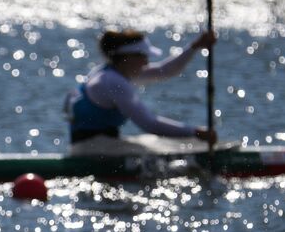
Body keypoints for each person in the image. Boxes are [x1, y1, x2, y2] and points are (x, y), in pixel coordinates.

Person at [65, 29, 217, 145]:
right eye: (144, 56)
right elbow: (150, 124)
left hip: (96, 143)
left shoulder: (109, 71)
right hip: (92, 148)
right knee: (160, 145)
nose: (146, 62)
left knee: (159, 143)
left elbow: (165, 71)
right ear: (128, 57)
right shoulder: (113, 82)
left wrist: (195, 46)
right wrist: (196, 133)